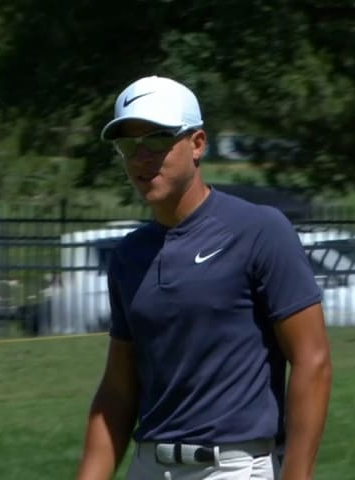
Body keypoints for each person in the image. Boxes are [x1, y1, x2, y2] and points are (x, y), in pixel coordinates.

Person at [76, 76, 333, 480]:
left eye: (157, 140)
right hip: (147, 466)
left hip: (231, 467)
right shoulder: (129, 256)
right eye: (128, 145)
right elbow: (118, 392)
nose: (141, 156)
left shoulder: (259, 230)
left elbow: (312, 360)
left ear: (197, 144)